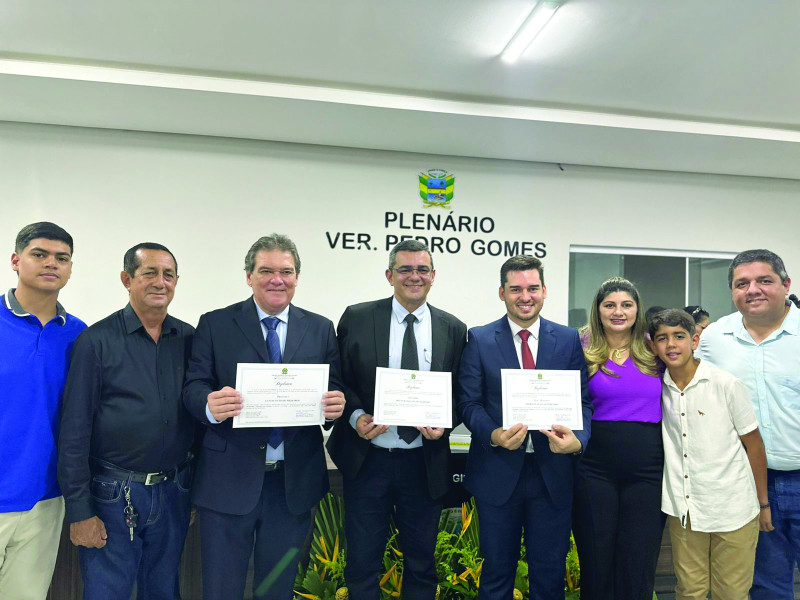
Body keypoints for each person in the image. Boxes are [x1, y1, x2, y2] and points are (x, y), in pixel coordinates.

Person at [182, 234, 345, 600]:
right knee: (221, 588)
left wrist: (335, 407)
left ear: (297, 277)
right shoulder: (216, 323)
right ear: (249, 276)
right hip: (228, 482)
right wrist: (209, 403)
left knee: (278, 589)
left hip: (293, 487)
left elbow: (333, 388)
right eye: (266, 270)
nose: (277, 279)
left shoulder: (320, 327)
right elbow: (193, 386)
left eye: (286, 271)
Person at [326, 239, 466, 599]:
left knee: (421, 563)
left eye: (422, 269)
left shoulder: (453, 327)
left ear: (434, 276)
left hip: (423, 460)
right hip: (367, 459)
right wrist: (356, 416)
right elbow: (338, 377)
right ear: (390, 275)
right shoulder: (357, 317)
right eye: (405, 269)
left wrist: (444, 421)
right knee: (362, 561)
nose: (413, 276)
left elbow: (459, 392)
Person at [58, 242, 195, 600]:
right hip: (113, 495)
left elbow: (199, 419)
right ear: (127, 279)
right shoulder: (95, 342)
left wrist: (193, 494)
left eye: (168, 274)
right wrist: (79, 511)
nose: (160, 282)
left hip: (174, 490)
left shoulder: (190, 339)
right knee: (107, 592)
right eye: (149, 272)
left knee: (164, 590)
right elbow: (74, 431)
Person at [457, 255, 592, 600]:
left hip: (552, 475)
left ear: (544, 291)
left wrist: (578, 442)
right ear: (502, 293)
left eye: (532, 288)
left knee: (549, 578)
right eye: (515, 289)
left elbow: (584, 403)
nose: (525, 296)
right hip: (498, 474)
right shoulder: (480, 339)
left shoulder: (566, 339)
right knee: (497, 576)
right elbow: (469, 404)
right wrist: (494, 435)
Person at [696, 249, 800, 599]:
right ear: (732, 292)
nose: (752, 289)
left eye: (764, 281)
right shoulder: (713, 339)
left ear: (786, 285)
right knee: (766, 585)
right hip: (750, 486)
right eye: (742, 283)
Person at [651, 308, 771, 600]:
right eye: (662, 338)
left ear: (694, 340)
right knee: (689, 592)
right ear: (653, 346)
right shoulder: (656, 388)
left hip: (733, 509)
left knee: (730, 593)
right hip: (685, 509)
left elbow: (754, 445)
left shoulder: (725, 384)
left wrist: (763, 504)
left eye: (679, 336)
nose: (671, 345)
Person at [0, 222, 86, 600]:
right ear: (16, 261)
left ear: (70, 268)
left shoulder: (82, 337)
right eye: (40, 254)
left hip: (45, 501)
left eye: (61, 258)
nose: (51, 263)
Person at [571, 277, 663, 600]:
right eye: (610, 305)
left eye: (627, 305)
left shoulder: (656, 347)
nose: (618, 312)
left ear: (638, 309)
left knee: (638, 561)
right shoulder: (579, 346)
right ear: (598, 309)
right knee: (596, 558)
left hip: (648, 472)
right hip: (593, 469)